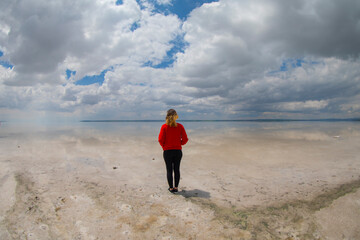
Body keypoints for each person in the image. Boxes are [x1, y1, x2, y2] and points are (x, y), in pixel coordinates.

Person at [158, 109, 188, 193]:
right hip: (178, 151)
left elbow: (160, 139)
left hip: (167, 151)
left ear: (167, 116)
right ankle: (176, 187)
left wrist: (164, 146)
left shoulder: (164, 126)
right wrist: (180, 144)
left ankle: (171, 188)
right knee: (177, 169)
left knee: (169, 170)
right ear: (176, 116)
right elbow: (185, 139)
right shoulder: (180, 126)